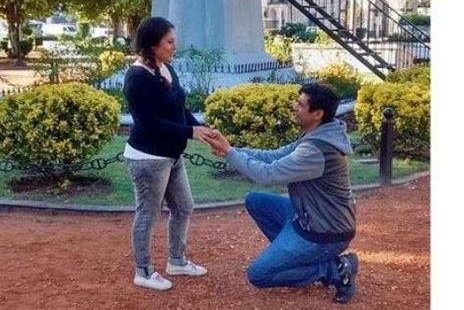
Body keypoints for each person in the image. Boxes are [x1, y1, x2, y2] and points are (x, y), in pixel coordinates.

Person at [204, 83, 359, 303]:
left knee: (259, 274)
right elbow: (273, 156)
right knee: (256, 201)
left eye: (300, 104)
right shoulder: (317, 136)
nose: (295, 107)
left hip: (325, 232)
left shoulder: (315, 150)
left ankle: (334, 269)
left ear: (317, 114)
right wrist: (230, 149)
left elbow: (268, 174)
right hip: (307, 216)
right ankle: (297, 258)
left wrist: (230, 153)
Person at [122, 16, 214, 291]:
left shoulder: (165, 68)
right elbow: (150, 123)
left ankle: (176, 260)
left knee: (184, 207)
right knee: (148, 214)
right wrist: (190, 133)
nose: (175, 46)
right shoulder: (137, 78)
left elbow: (179, 109)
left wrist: (202, 131)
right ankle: (144, 271)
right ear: (153, 44)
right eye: (170, 42)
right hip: (148, 158)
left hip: (172, 156)